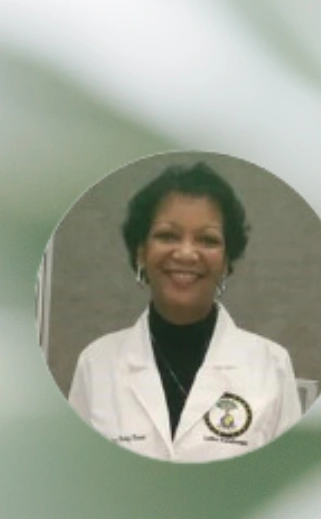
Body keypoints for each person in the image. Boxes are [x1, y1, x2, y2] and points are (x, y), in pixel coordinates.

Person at [67, 162, 303, 461]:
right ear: (140, 251)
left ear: (227, 260)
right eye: (167, 236)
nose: (186, 253)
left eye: (207, 240)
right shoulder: (96, 364)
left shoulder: (272, 366)